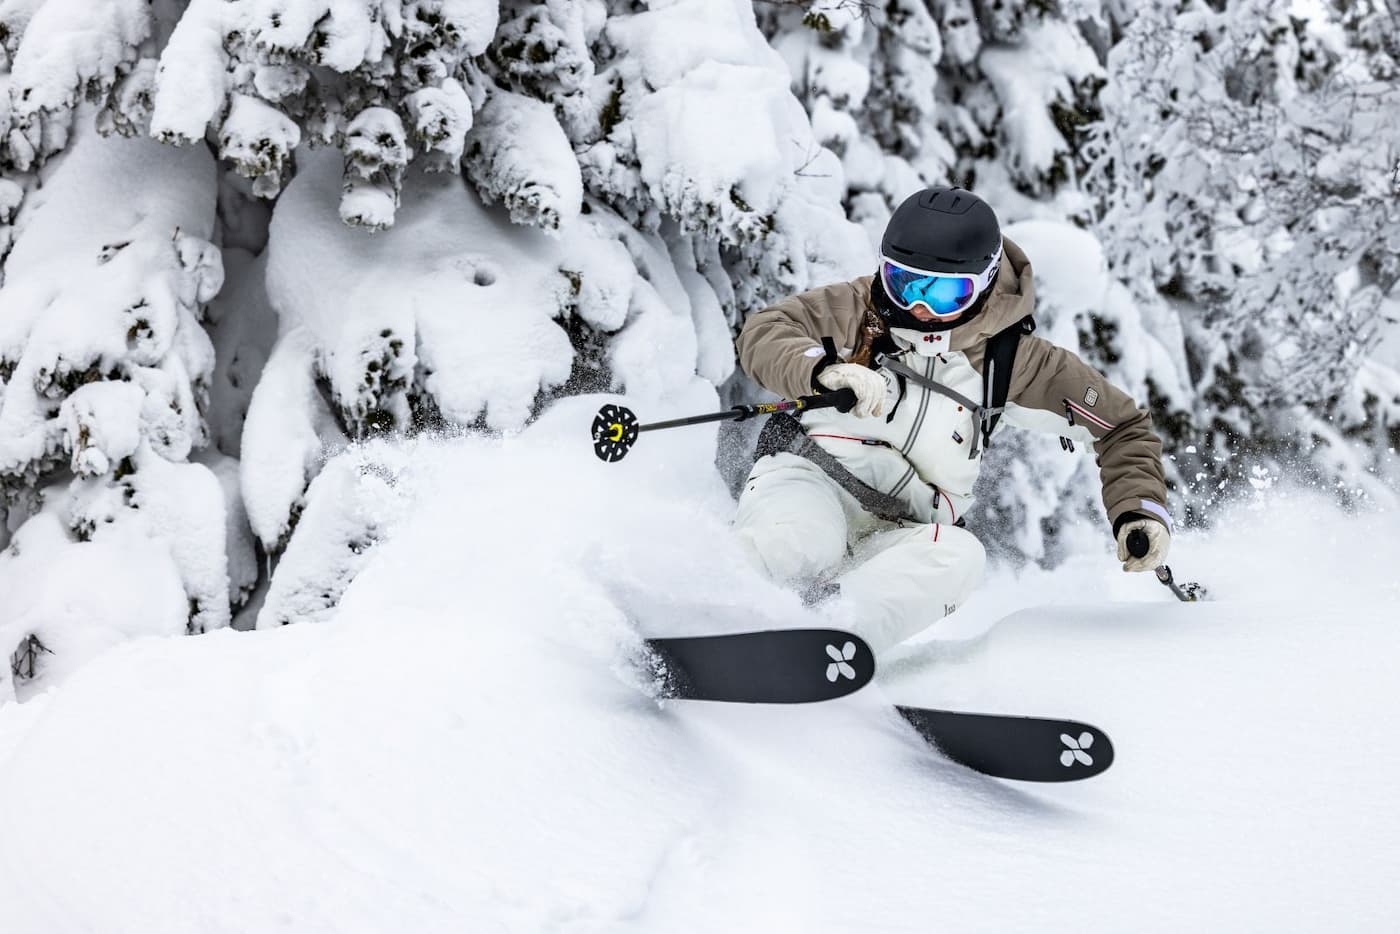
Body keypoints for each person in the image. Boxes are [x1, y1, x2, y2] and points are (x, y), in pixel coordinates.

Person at [733, 187, 1172, 654]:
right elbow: (765, 333)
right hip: (811, 480)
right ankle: (718, 611)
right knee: (800, 542)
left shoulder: (1013, 361)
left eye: (945, 293)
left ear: (982, 283)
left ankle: (828, 640)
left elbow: (1120, 426)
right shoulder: (855, 309)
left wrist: (1139, 510)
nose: (920, 306)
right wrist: (820, 368)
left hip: (904, 533)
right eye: (904, 282)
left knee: (960, 556)